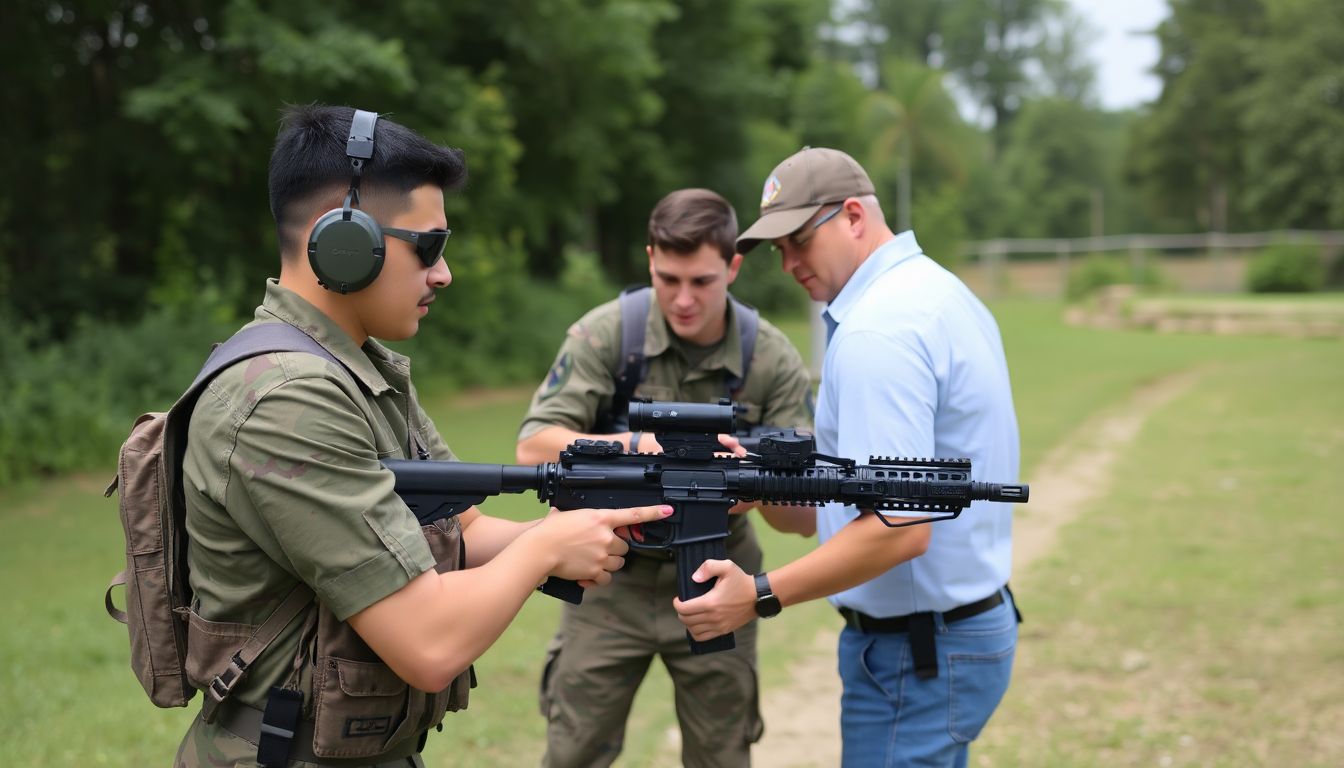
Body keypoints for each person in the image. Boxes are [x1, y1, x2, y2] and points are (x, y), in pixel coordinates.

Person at [175, 105, 670, 768]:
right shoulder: (286, 398)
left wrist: (601, 521)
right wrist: (549, 546)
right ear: (344, 241)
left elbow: (460, 531)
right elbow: (428, 642)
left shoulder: (361, 370)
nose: (444, 273)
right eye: (428, 247)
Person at [674, 147, 1022, 768]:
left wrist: (756, 592)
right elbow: (871, 491)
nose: (787, 264)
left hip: (918, 652)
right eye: (778, 249)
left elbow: (899, 528)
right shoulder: (938, 292)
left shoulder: (877, 332)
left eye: (798, 241)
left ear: (854, 216)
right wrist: (767, 484)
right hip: (951, 634)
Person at [516, 188, 816, 768]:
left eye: (702, 282)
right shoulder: (609, 335)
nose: (683, 299)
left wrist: (748, 483)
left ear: (732, 266)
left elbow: (802, 520)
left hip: (718, 579)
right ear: (650, 257)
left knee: (721, 755)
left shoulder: (771, 359)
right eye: (668, 277)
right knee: (573, 749)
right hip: (609, 578)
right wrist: (636, 446)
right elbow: (533, 446)